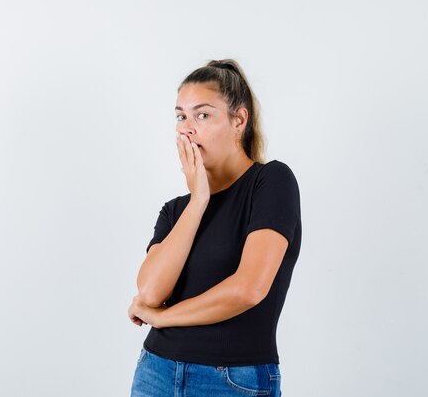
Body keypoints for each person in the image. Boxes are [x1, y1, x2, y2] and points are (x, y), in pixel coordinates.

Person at [127, 59, 301, 397]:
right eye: (181, 116)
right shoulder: (176, 209)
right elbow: (149, 293)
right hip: (155, 372)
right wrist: (198, 201)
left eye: (202, 115)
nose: (187, 128)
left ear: (239, 120)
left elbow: (249, 289)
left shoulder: (271, 183)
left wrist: (163, 318)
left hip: (233, 380)